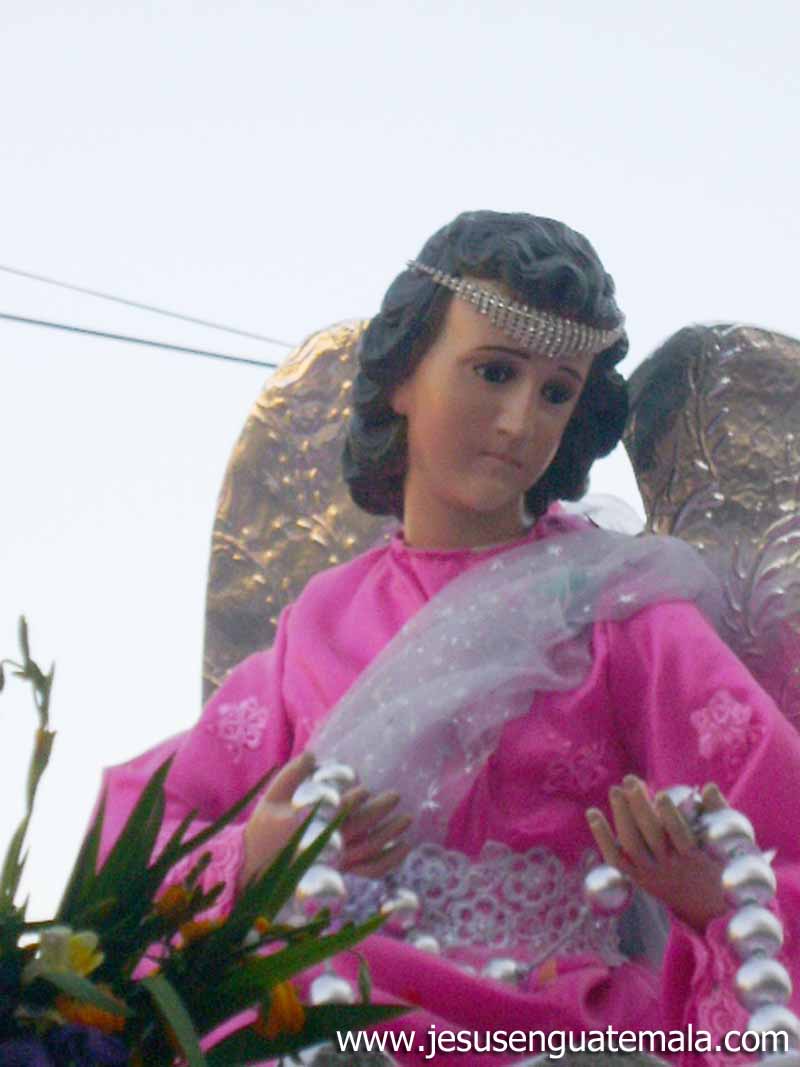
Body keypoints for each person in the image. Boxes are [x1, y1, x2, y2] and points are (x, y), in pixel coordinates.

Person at [97, 211, 800, 1066]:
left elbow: (776, 820)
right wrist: (257, 855)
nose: (518, 421)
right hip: (328, 1019)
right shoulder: (321, 622)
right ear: (403, 374)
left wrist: (714, 898)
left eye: (556, 391)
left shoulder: (619, 611)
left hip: (561, 1032)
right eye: (494, 372)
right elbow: (144, 829)